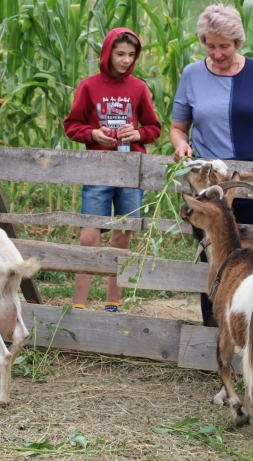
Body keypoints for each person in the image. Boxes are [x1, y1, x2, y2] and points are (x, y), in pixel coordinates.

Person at [170, 4, 253, 326]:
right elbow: (178, 127)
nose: (217, 53)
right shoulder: (192, 74)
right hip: (209, 188)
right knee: (214, 255)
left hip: (251, 181)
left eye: (224, 46)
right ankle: (213, 328)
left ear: (238, 42)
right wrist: (181, 145)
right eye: (210, 46)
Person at [64, 28, 161, 312]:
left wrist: (137, 134)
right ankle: (79, 303)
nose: (125, 60)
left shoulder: (139, 88)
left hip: (131, 169)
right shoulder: (89, 86)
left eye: (131, 55)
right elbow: (72, 125)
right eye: (120, 54)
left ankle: (112, 303)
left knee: (123, 234)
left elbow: (154, 128)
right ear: (107, 53)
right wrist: (94, 135)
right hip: (98, 169)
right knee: (89, 236)